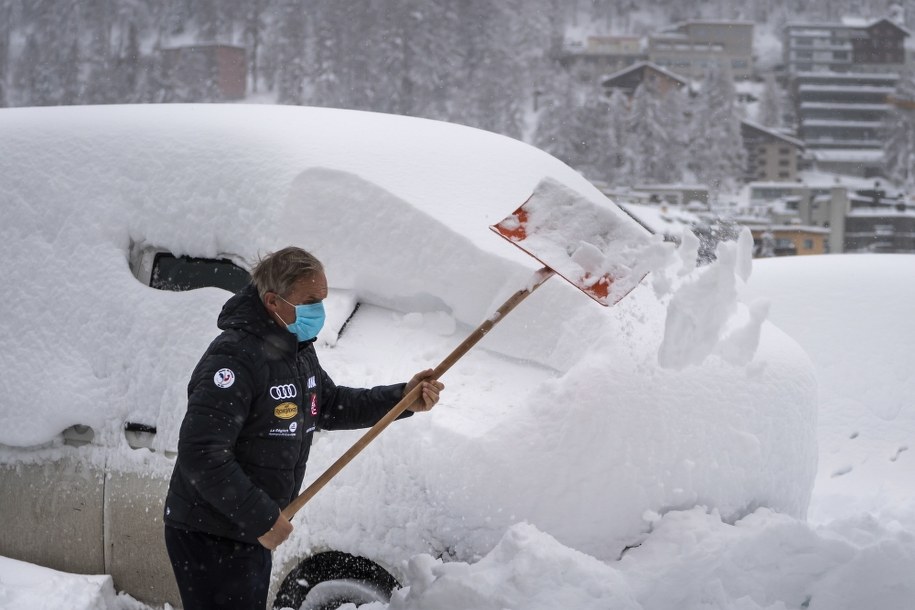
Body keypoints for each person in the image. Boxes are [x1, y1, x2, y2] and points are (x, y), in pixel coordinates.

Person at [163, 246, 443, 609]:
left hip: (247, 528)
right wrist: (262, 516)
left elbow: (329, 404)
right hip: (211, 530)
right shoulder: (234, 359)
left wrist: (401, 400)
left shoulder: (295, 349)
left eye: (323, 299)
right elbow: (201, 454)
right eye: (310, 300)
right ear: (273, 302)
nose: (319, 310)